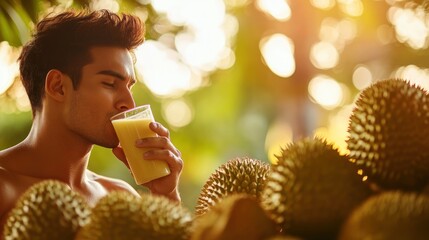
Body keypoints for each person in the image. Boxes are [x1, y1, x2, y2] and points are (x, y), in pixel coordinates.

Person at [0, 9, 183, 231]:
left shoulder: (119, 197)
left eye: (129, 87)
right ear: (58, 86)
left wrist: (166, 196)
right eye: (109, 84)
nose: (129, 103)